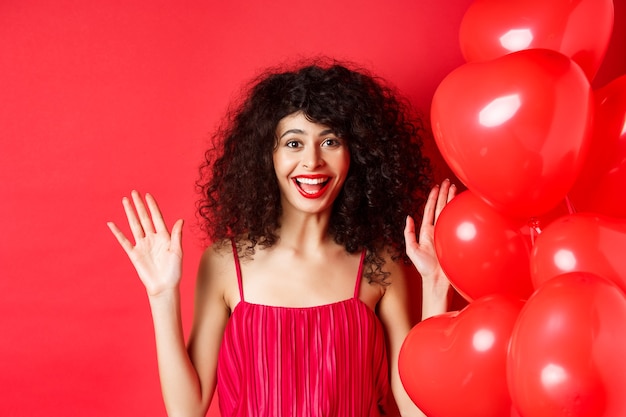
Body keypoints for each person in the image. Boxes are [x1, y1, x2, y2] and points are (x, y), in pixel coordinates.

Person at [107, 58, 456, 417]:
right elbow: (187, 411)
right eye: (293, 143)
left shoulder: (379, 264)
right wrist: (162, 296)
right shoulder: (225, 263)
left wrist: (435, 286)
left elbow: (417, 411)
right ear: (267, 156)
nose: (312, 161)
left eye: (331, 141)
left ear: (357, 156)